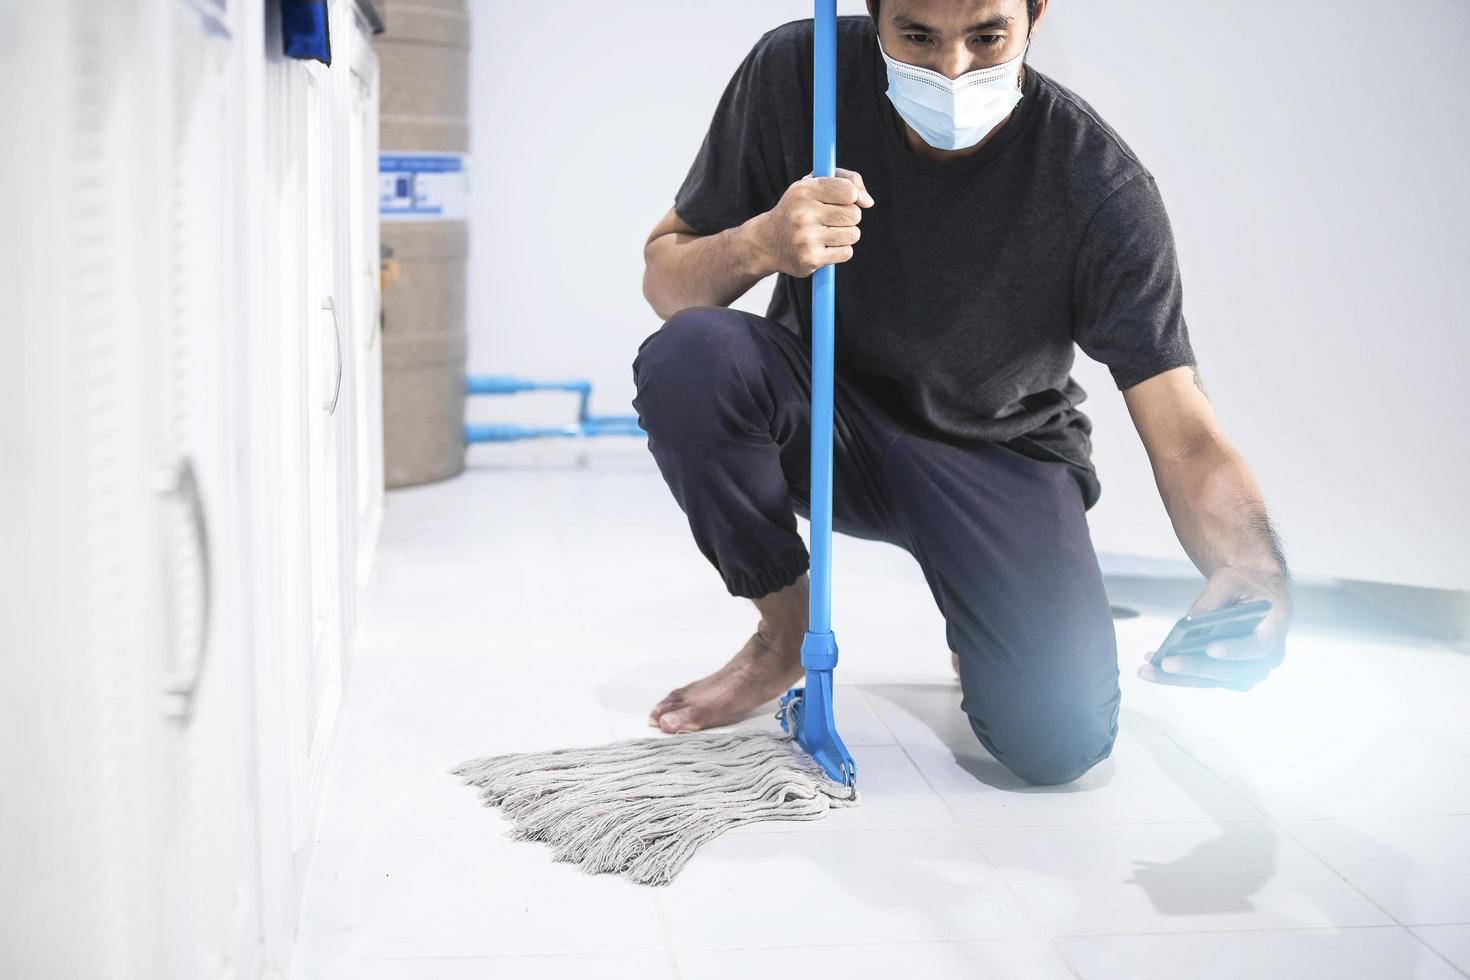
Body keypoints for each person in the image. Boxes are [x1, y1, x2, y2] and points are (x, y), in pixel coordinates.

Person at [630, 0, 1293, 786]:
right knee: (690, 359)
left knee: (1059, 744)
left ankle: (982, 611)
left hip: (1001, 456)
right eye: (916, 35)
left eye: (986, 36)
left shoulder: (1097, 183)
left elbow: (1184, 434)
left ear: (1035, 14)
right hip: (829, 425)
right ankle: (783, 634)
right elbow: (666, 282)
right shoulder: (799, 72)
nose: (952, 70)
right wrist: (760, 242)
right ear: (872, 16)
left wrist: (1257, 574)